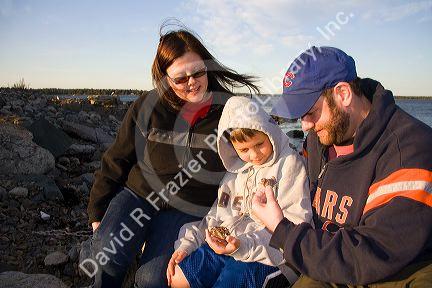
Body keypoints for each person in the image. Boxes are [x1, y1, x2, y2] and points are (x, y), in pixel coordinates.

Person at [87, 26, 260, 288]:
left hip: (187, 209)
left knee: (152, 279)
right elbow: (116, 159)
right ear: (166, 77)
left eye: (198, 71)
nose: (192, 82)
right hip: (139, 196)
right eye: (180, 78)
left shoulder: (229, 111)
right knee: (104, 254)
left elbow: (259, 153)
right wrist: (97, 213)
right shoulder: (147, 107)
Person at [252, 46, 432, 287]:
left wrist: (282, 230)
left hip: (397, 270)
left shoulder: (409, 150)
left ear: (344, 93)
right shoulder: (318, 139)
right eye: (299, 116)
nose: (304, 126)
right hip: (327, 255)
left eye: (310, 112)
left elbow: (370, 254)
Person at [166, 96, 312, 288]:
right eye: (244, 149)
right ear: (231, 147)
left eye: (259, 144)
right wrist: (188, 244)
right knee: (178, 278)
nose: (254, 155)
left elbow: (296, 223)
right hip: (229, 244)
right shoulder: (234, 172)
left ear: (270, 132)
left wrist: (243, 246)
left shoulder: (290, 164)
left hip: (272, 254)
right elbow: (213, 218)